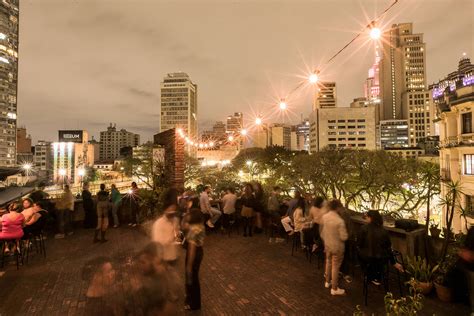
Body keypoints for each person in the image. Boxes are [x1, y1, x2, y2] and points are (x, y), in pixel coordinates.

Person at [357, 210, 403, 285]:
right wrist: (393, 262)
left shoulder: (363, 228)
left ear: (370, 218)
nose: (366, 219)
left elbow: (359, 244)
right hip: (381, 259)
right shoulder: (384, 231)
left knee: (360, 253)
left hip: (367, 258)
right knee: (378, 257)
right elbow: (388, 247)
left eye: (367, 217)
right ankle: (376, 276)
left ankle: (368, 275)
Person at [320, 199, 348, 296]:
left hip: (327, 244)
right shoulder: (340, 221)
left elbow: (323, 233)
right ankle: (334, 288)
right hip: (337, 247)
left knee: (328, 262)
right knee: (335, 266)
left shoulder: (325, 217)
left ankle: (327, 282)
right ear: (337, 208)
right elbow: (344, 237)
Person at [183, 209, 205, 311]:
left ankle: (193, 304)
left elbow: (191, 249)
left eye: (190, 215)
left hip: (194, 253)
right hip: (200, 252)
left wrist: (189, 266)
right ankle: (195, 302)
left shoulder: (193, 230)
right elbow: (184, 226)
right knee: (195, 278)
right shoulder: (200, 226)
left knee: (192, 277)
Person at [151, 189, 180, 264]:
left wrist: (177, 235)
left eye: (174, 209)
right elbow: (157, 243)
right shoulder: (159, 224)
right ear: (165, 209)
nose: (173, 211)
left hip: (174, 256)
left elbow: (177, 234)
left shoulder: (175, 220)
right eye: (170, 209)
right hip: (163, 259)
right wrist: (172, 238)